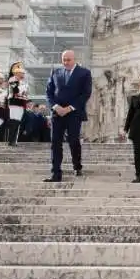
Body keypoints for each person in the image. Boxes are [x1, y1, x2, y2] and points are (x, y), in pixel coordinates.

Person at [44, 50, 93, 182]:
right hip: (57, 113)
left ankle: (77, 165)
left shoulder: (84, 73)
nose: (66, 62)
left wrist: (69, 108)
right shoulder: (56, 72)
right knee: (55, 143)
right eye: (64, 60)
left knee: (73, 141)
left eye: (68, 60)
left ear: (74, 59)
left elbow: (86, 94)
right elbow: (49, 93)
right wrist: (56, 107)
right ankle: (56, 173)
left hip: (74, 113)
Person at [6, 62, 29, 146]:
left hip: (21, 102)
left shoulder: (23, 82)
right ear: (16, 73)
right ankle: (11, 140)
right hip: (14, 102)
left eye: (23, 73)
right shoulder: (12, 79)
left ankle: (14, 140)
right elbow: (15, 90)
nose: (22, 74)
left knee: (18, 122)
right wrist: (21, 89)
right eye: (20, 73)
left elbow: (25, 93)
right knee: (14, 121)